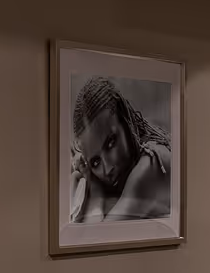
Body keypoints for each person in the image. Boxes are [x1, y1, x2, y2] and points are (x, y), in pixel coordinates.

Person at [68, 76, 171, 223]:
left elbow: (99, 240)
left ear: (125, 120)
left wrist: (94, 187)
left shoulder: (150, 166)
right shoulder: (132, 163)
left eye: (111, 143)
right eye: (96, 162)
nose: (108, 168)